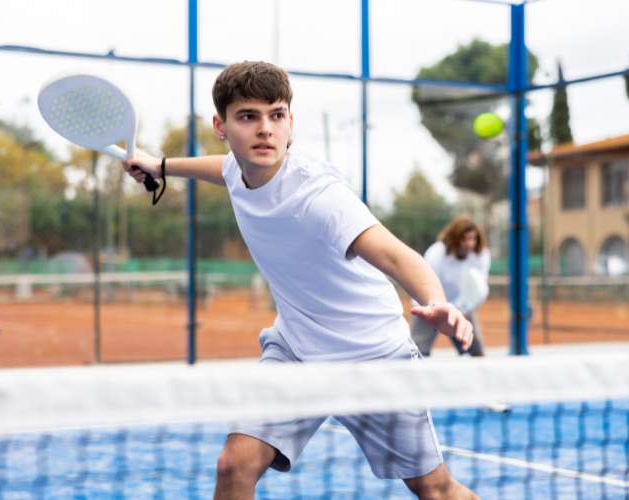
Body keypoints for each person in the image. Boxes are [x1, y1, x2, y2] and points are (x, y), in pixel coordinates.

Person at [124, 61, 479, 500]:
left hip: (373, 357)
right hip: (296, 352)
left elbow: (396, 255)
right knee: (232, 466)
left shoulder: (319, 196)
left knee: (435, 490)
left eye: (276, 115)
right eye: (248, 117)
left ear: (291, 122)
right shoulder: (240, 168)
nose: (264, 130)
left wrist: (436, 300)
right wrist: (160, 165)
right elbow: (221, 169)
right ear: (222, 126)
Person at [411, 215, 491, 357]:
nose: (469, 243)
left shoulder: (482, 254)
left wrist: (467, 308)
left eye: (473, 238)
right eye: (464, 238)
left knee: (477, 352)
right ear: (454, 238)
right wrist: (436, 309)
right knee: (417, 353)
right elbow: (426, 285)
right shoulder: (436, 253)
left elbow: (480, 287)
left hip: (461, 308)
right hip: (429, 305)